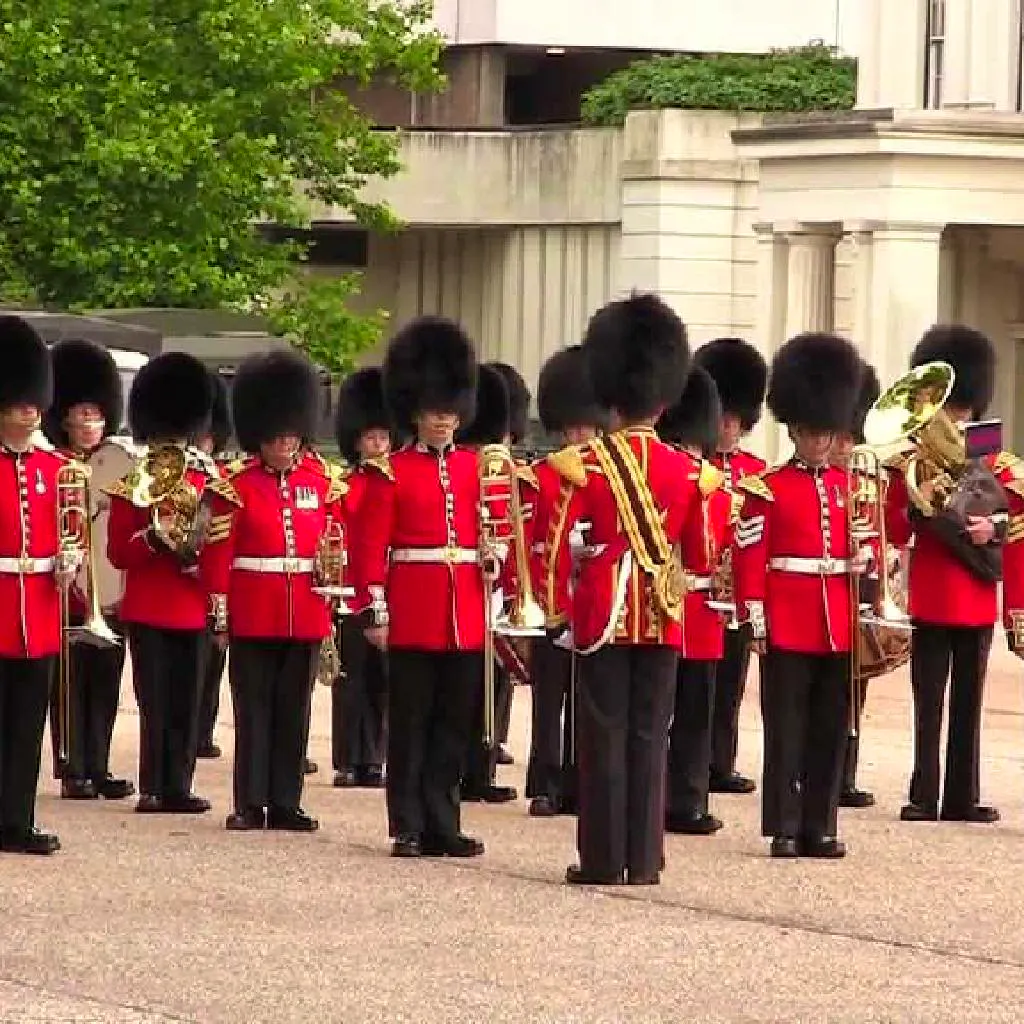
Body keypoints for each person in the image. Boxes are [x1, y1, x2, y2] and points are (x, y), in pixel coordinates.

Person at [544, 293, 696, 886]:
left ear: (611, 395)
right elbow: (703, 553)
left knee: (603, 736)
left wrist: (557, 606)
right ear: (664, 399)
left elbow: (556, 542)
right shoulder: (691, 471)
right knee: (650, 735)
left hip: (605, 608)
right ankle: (645, 858)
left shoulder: (584, 464)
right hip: (664, 608)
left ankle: (603, 859)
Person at [349, 316, 487, 859]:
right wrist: (375, 610)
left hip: (464, 613)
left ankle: (442, 821)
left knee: (455, 726)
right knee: (409, 725)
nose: (442, 422)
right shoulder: (391, 473)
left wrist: (492, 559)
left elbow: (486, 534)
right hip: (412, 610)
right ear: (416, 413)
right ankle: (406, 823)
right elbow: (371, 549)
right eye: (434, 413)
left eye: (449, 413)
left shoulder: (476, 469)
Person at [732, 332, 864, 859]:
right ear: (793, 430)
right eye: (810, 434)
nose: (818, 443)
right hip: (788, 618)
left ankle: (820, 825)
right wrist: (756, 619)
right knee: (786, 729)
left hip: (836, 617)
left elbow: (861, 546)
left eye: (825, 434)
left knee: (831, 729)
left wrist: (871, 562)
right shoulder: (767, 487)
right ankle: (784, 826)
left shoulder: (845, 487)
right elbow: (750, 557)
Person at [204, 349, 341, 832]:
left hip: (303, 609)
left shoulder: (321, 483)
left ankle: (286, 800)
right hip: (253, 610)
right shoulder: (234, 485)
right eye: (276, 437)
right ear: (260, 436)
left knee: (294, 713)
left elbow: (332, 546)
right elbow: (219, 553)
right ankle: (249, 801)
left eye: (291, 437)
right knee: (253, 711)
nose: (285, 446)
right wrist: (219, 611)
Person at [886, 326, 1015, 824]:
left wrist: (993, 526)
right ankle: (923, 793)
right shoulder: (914, 453)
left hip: (975, 589)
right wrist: (917, 506)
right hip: (935, 590)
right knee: (928, 703)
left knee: (968, 702)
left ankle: (961, 794)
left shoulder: (989, 446)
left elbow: (1013, 514)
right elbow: (895, 519)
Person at [106, 352, 235, 814]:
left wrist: (209, 581)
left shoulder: (209, 478)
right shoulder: (135, 480)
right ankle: (154, 786)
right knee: (154, 702)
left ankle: (178, 785)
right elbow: (118, 552)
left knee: (188, 701)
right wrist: (154, 539)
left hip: (192, 602)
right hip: (148, 605)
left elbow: (221, 543)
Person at [42, 338, 134, 802]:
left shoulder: (118, 466)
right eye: (80, 414)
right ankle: (72, 766)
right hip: (67, 591)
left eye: (96, 415)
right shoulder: (54, 467)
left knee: (106, 681)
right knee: (71, 683)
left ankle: (98, 764)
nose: (89, 423)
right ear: (64, 419)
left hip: (109, 587)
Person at [0, 316, 75, 854]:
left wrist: (68, 561)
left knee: (28, 727)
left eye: (34, 400)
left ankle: (17, 820)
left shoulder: (54, 466)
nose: (30, 410)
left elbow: (64, 530)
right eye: (19, 400)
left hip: (39, 610)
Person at [524, 345, 604, 818]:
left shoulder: (610, 476)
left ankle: (579, 780)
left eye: (586, 426)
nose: (578, 435)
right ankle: (545, 781)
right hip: (551, 596)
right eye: (572, 427)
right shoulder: (540, 477)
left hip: (594, 599)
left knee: (588, 700)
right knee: (548, 699)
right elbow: (529, 542)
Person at [657, 367, 731, 836]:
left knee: (695, 714)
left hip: (700, 612)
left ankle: (688, 799)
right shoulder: (657, 483)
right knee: (656, 712)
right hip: (661, 607)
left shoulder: (719, 490)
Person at [692, 338, 768, 796]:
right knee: (699, 684)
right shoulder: (695, 466)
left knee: (733, 683)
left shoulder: (756, 471)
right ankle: (694, 762)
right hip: (703, 588)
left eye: (734, 421)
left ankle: (722, 761)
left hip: (740, 589)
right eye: (721, 419)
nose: (727, 428)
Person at [455, 364, 517, 805]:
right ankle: (465, 768)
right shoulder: (465, 468)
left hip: (492, 587)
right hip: (462, 589)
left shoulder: (501, 471)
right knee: (464, 687)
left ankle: (484, 765)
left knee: (496, 682)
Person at [332, 366, 390, 789]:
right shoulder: (345, 485)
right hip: (351, 593)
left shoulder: (395, 482)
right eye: (371, 438)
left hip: (389, 591)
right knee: (350, 680)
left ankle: (374, 757)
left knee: (383, 683)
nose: (379, 445)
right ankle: (348, 758)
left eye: (384, 438)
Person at [829, 361, 882, 809]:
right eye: (840, 437)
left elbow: (882, 542)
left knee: (855, 692)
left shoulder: (868, 482)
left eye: (850, 437)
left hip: (860, 595)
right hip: (825, 594)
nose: (846, 446)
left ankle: (845, 773)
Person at [488, 361, 532, 766]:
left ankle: (495, 736)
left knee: (504, 668)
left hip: (507, 578)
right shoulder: (479, 469)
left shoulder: (520, 474)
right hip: (479, 575)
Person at [195, 370, 232, 760]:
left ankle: (204, 728)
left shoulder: (223, 477)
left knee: (214, 663)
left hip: (216, 584)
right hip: (187, 584)